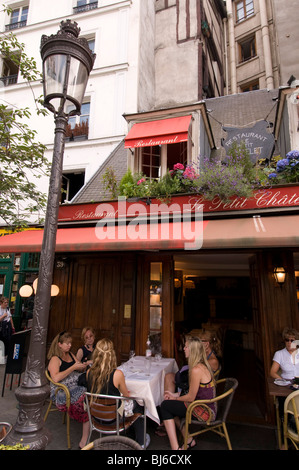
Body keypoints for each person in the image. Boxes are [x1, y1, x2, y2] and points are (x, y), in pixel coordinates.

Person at [86, 338, 150, 449]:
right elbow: (127, 396)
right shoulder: (117, 374)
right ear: (112, 355)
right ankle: (141, 441)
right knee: (139, 404)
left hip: (96, 418)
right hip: (114, 420)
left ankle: (130, 434)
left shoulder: (88, 372)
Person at [156, 328, 221, 437]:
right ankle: (168, 422)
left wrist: (175, 397)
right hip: (197, 393)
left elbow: (193, 386)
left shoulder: (209, 362)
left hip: (201, 403)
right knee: (169, 377)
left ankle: (176, 428)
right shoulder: (202, 361)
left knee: (167, 404)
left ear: (207, 344)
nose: (198, 343)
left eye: (201, 341)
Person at [47, 331, 89, 449]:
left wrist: (84, 365)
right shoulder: (55, 359)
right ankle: (84, 438)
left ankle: (94, 415)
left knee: (93, 386)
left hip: (75, 383)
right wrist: (73, 368)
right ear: (59, 344)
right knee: (85, 396)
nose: (69, 345)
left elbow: (78, 367)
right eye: (66, 343)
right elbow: (55, 378)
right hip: (61, 391)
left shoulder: (70, 354)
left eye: (70, 343)